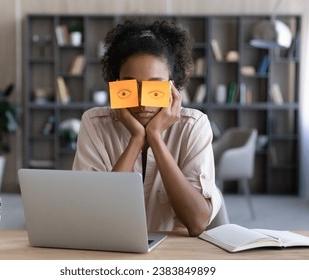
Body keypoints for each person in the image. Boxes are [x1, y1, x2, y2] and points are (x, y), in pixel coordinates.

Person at [72, 19, 221, 237]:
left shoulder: (193, 126)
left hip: (173, 253)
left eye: (155, 87)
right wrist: (136, 140)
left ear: (174, 87)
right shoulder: (95, 123)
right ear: (116, 85)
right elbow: (95, 217)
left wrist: (155, 138)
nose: (143, 102)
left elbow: (197, 223)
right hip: (109, 247)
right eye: (131, 86)